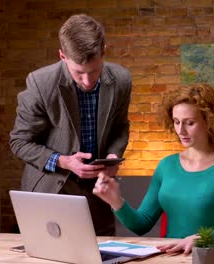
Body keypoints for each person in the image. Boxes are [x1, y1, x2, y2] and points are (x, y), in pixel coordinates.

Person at [93, 83, 214, 254]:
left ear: (210, 121)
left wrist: (202, 239)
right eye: (176, 122)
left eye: (190, 123)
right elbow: (141, 224)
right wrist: (115, 201)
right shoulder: (166, 165)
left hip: (207, 257)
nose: (181, 130)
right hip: (169, 257)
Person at [9, 14, 132, 236]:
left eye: (94, 71)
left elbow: (120, 127)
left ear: (104, 50)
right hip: (50, 192)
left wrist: (114, 156)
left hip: (97, 195)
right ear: (62, 56)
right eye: (79, 73)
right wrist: (65, 161)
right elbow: (19, 142)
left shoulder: (122, 79)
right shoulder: (40, 82)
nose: (87, 81)